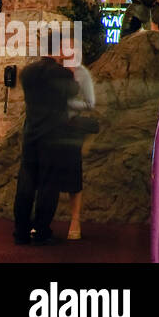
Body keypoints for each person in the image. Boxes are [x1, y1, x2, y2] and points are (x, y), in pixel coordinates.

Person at [12, 45, 76, 245]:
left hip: (31, 134)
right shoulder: (63, 74)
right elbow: (73, 94)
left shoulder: (28, 72)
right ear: (58, 50)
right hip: (53, 137)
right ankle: (41, 231)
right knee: (49, 185)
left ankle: (21, 232)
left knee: (25, 184)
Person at [61, 53, 97, 241]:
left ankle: (75, 221)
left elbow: (90, 103)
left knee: (73, 176)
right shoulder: (54, 72)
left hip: (71, 127)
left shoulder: (82, 73)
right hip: (52, 127)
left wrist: (67, 103)